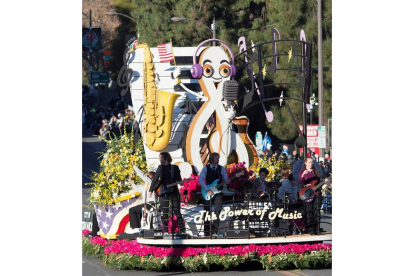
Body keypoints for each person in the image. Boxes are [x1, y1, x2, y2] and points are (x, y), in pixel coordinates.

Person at [149, 152, 186, 235]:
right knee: (164, 212)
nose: (159, 159)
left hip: (173, 192)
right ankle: (165, 231)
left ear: (165, 158)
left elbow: (178, 179)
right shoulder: (160, 167)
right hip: (162, 193)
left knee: (177, 211)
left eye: (160, 157)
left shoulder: (175, 168)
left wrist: (181, 183)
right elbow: (155, 179)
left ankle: (182, 230)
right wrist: (151, 190)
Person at [198, 152, 231, 236]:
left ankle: (215, 231)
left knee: (218, 210)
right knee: (207, 211)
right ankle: (206, 231)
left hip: (218, 192)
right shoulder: (206, 168)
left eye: (218, 158)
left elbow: (225, 178)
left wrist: (227, 181)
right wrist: (207, 189)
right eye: (216, 158)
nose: (218, 159)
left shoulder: (221, 168)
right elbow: (200, 180)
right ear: (212, 159)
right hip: (208, 191)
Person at [298, 157, 328, 235]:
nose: (310, 164)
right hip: (307, 192)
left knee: (316, 211)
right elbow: (300, 181)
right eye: (309, 162)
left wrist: (324, 182)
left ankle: (317, 228)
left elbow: (317, 182)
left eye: (311, 162)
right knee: (309, 211)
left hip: (316, 192)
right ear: (305, 163)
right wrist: (303, 175)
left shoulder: (315, 171)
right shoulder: (303, 171)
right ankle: (310, 229)